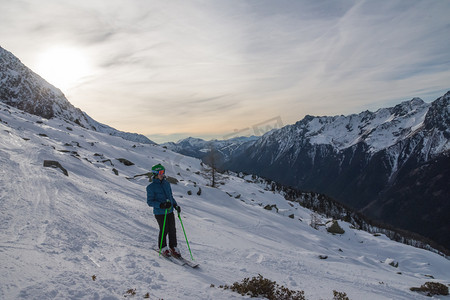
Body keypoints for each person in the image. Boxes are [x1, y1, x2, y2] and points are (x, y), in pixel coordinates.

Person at [146, 163, 182, 258]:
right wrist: (161, 205)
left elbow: (170, 197)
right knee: (164, 229)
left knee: (172, 229)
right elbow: (150, 202)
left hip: (169, 211)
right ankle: (163, 247)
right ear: (155, 174)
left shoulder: (167, 184)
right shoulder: (151, 187)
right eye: (160, 172)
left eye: (163, 172)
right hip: (160, 212)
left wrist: (175, 205)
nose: (162, 174)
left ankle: (173, 247)